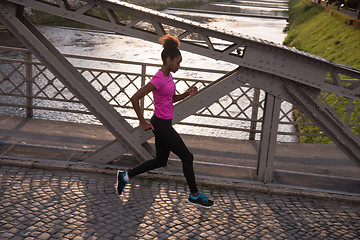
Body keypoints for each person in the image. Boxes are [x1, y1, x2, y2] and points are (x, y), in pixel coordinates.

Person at [116, 34, 214, 208]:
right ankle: (194, 195)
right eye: (178, 62)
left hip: (164, 123)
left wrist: (187, 94)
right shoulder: (159, 78)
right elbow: (135, 98)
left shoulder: (168, 76)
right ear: (168, 60)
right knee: (187, 156)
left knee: (160, 161)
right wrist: (142, 122)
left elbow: (170, 99)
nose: (179, 65)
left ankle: (125, 176)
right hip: (160, 124)